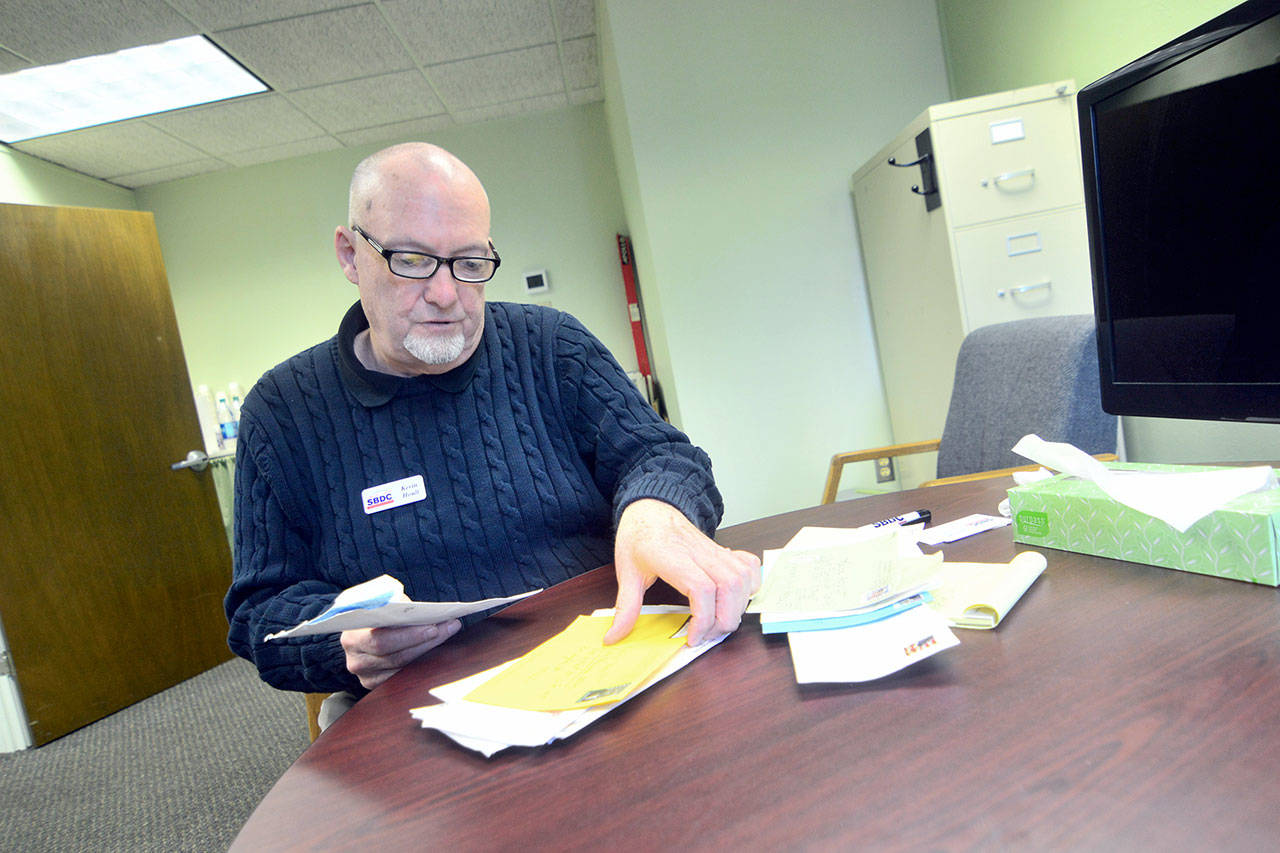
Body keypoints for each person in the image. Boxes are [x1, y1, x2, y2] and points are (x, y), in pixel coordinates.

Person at [225, 142, 760, 703]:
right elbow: (260, 614)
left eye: (470, 264)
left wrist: (655, 510)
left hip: (617, 659)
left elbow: (663, 457)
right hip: (430, 709)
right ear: (349, 255)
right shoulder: (283, 410)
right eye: (410, 261)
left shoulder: (552, 346)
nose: (446, 294)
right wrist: (343, 646)